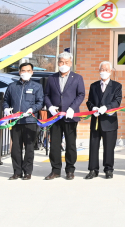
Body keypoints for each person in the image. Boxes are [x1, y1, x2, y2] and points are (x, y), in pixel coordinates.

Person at [44, 52, 85, 180]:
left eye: (66, 62)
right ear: (58, 63)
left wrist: (72, 108)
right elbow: (46, 95)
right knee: (55, 144)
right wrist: (50, 106)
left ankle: (70, 170)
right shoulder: (52, 78)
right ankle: (55, 170)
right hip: (55, 117)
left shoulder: (77, 78)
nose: (64, 64)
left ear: (70, 63)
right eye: (61, 62)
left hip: (70, 117)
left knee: (70, 144)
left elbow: (81, 94)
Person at [3, 62, 43, 180]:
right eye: (23, 71)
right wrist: (6, 109)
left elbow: (40, 102)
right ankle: (17, 171)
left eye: (28, 71)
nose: (25, 73)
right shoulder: (12, 86)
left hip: (30, 121)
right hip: (15, 121)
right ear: (19, 72)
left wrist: (32, 109)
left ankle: (27, 172)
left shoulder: (37, 86)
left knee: (29, 148)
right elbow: (6, 100)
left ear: (32, 72)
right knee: (16, 148)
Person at [85, 61, 122, 179]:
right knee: (93, 146)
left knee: (109, 147)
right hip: (96, 121)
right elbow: (89, 101)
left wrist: (107, 108)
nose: (103, 71)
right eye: (102, 69)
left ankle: (108, 169)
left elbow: (117, 101)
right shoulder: (94, 85)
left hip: (109, 121)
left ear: (110, 71)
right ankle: (93, 170)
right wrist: (93, 107)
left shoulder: (117, 86)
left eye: (106, 69)